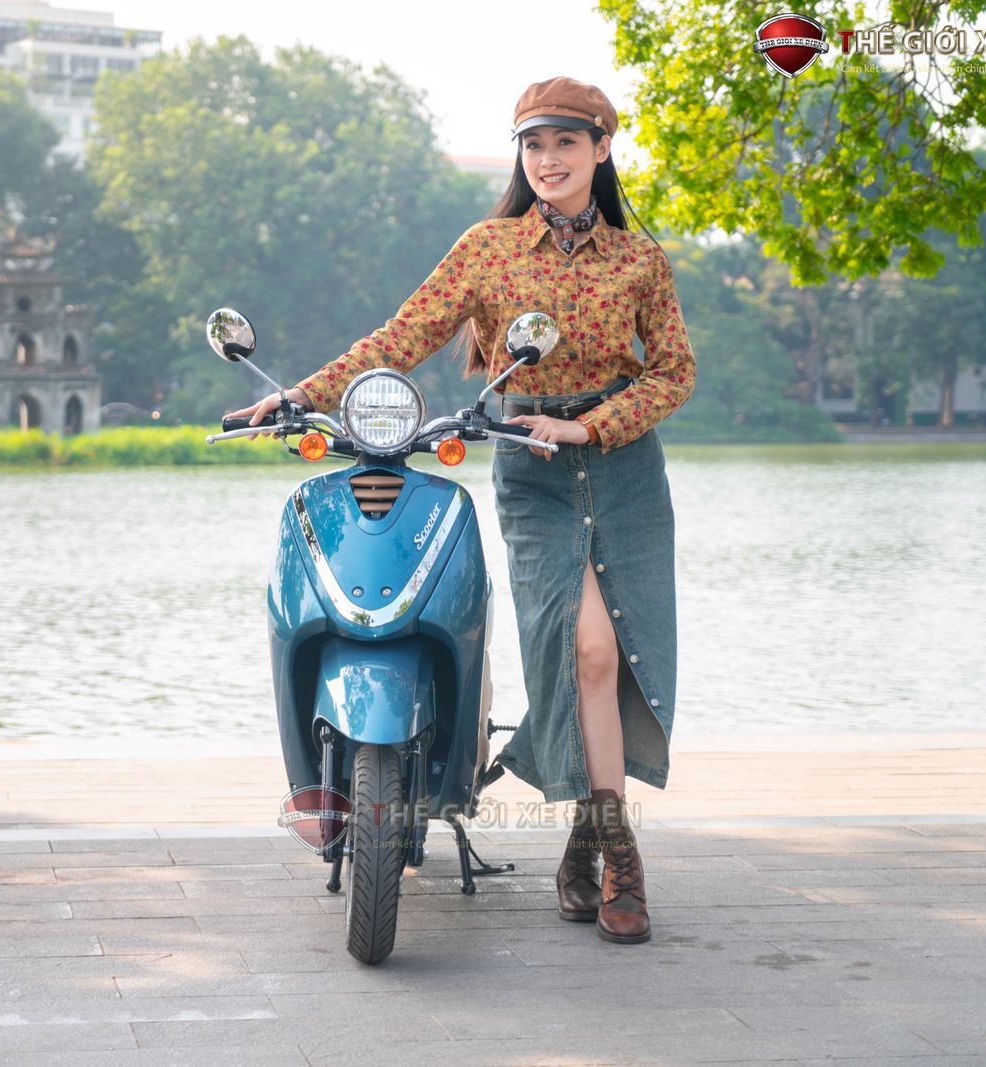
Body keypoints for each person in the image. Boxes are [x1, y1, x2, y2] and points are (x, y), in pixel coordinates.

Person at [225, 77, 695, 945]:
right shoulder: (488, 248)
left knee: (617, 654)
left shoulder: (640, 259)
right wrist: (301, 393)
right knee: (580, 649)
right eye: (533, 145)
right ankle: (614, 852)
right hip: (530, 465)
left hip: (624, 466)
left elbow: (674, 371)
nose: (547, 160)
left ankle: (592, 845)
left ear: (601, 148)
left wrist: (590, 424)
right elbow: (402, 336)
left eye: (565, 142)